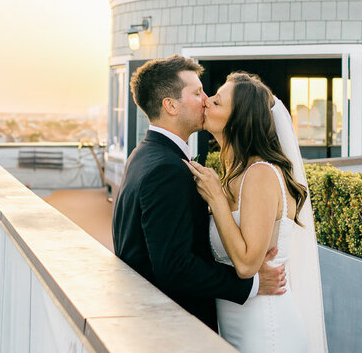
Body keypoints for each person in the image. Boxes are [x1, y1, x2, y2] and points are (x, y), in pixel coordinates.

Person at [111, 55, 286, 333]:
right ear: (170, 106)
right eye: (197, 93)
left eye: (210, 95)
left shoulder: (143, 155)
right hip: (173, 329)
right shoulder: (167, 169)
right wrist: (252, 283)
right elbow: (175, 267)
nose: (205, 99)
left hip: (226, 324)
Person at [187, 72, 331, 353]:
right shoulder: (232, 175)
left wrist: (218, 201)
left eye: (216, 101)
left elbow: (247, 264)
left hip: (267, 331)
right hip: (236, 324)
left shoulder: (261, 174)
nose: (206, 103)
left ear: (239, 118)